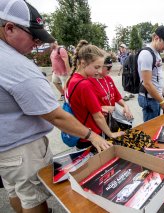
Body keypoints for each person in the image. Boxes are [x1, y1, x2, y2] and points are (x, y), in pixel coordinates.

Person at [0, 1, 111, 212]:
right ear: (10, 28)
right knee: (32, 198)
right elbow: (55, 116)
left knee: (15, 190)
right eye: (34, 36)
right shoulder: (14, 64)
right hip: (23, 148)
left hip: (6, 145)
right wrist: (93, 136)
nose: (37, 42)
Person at [66, 40, 124, 149]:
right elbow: (98, 117)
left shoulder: (72, 79)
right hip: (91, 136)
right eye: (96, 67)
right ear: (83, 63)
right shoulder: (84, 84)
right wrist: (111, 134)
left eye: (101, 67)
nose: (99, 71)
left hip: (81, 133)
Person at [137, 26, 164, 122]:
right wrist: (161, 101)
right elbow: (147, 83)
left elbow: (157, 77)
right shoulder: (146, 54)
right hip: (149, 99)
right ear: (156, 38)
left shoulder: (156, 53)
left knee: (157, 126)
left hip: (155, 97)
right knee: (151, 129)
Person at [89, 57, 133, 130]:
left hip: (112, 117)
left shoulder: (108, 79)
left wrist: (125, 106)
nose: (110, 70)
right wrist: (103, 108)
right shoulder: (90, 82)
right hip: (100, 119)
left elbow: (117, 96)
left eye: (111, 67)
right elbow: (88, 106)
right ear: (99, 66)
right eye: (108, 67)